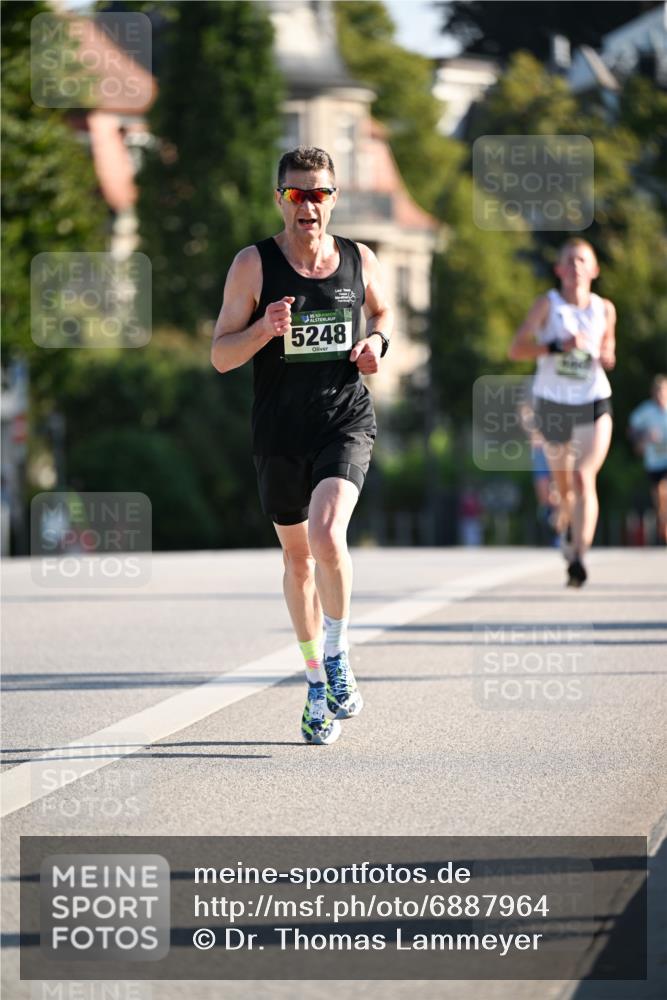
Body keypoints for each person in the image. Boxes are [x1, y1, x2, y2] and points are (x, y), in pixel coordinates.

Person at [211, 146, 393, 745]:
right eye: (296, 193)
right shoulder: (254, 265)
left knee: (326, 533)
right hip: (279, 434)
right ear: (280, 199)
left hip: (344, 421)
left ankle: (338, 657)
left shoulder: (358, 260)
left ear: (334, 198)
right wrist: (264, 328)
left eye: (318, 193)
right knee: (297, 563)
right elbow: (219, 356)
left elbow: (383, 316)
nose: (307, 205)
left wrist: (378, 348)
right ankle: (316, 681)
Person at [508, 238, 616, 586]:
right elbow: (517, 349)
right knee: (565, 486)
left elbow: (608, 350)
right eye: (568, 260)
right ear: (558, 270)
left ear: (595, 269)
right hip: (553, 404)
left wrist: (607, 356)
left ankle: (580, 557)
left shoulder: (605, 309)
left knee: (585, 477)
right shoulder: (547, 305)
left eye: (582, 260)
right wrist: (556, 346)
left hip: (594, 400)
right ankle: (569, 530)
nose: (575, 266)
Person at [628, 375, 667, 544]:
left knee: (664, 488)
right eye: (657, 391)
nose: (660, 395)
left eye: (663, 391)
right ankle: (663, 520)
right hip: (653, 461)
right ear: (653, 393)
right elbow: (631, 430)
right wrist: (644, 437)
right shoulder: (645, 411)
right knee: (658, 494)